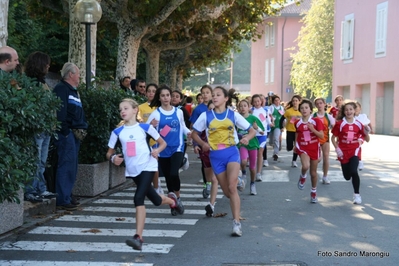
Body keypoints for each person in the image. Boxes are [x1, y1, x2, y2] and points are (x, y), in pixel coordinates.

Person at [106, 98, 176, 251]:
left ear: (135, 110)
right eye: (120, 109)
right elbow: (109, 153)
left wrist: (157, 150)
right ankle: (172, 202)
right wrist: (113, 158)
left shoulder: (145, 128)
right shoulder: (117, 132)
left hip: (148, 166)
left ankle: (138, 237)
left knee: (138, 197)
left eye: (125, 108)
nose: (122, 111)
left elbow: (163, 142)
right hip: (133, 171)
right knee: (156, 200)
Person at [191, 86, 256, 237]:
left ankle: (236, 223)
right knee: (227, 192)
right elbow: (193, 134)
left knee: (232, 188)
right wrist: (202, 144)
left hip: (231, 153)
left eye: (218, 95)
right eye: (213, 95)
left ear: (226, 98)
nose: (214, 97)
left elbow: (252, 130)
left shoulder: (233, 115)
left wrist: (247, 137)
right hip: (215, 156)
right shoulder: (206, 116)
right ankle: (239, 181)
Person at [147, 85, 191, 216]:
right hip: (162, 149)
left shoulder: (178, 111)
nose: (166, 98)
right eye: (163, 95)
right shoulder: (156, 114)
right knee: (167, 177)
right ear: (159, 98)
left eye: (168, 95)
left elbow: (182, 126)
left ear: (171, 97)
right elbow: (147, 131)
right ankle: (173, 203)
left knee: (173, 174)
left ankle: (178, 198)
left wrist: (189, 133)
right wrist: (151, 126)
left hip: (177, 147)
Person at [23, 51, 58, 202]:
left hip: (45, 127)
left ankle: (40, 188)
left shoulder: (42, 82)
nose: (48, 66)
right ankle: (31, 189)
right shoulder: (31, 83)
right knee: (36, 160)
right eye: (46, 64)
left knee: (41, 160)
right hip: (38, 127)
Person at [53, 62, 88, 211]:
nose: (79, 76)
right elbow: (60, 112)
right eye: (78, 74)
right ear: (71, 74)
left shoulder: (73, 91)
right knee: (66, 165)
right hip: (67, 134)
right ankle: (63, 198)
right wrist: (66, 132)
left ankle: (67, 194)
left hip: (74, 134)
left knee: (71, 166)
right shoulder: (62, 89)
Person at [331, 101, 370, 204]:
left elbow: (367, 139)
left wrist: (367, 131)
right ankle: (347, 172)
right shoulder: (340, 124)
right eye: (346, 110)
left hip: (354, 150)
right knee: (347, 176)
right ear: (344, 112)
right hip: (343, 151)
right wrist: (337, 149)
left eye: (351, 109)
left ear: (354, 111)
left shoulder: (358, 123)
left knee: (354, 171)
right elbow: (333, 138)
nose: (349, 111)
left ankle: (357, 195)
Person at [295, 99, 324, 203]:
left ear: (311, 110)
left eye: (306, 108)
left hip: (314, 148)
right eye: (302, 108)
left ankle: (313, 191)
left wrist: (313, 129)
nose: (304, 110)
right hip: (303, 147)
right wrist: (295, 145)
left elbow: (321, 135)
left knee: (313, 173)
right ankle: (302, 176)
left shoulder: (316, 121)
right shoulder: (298, 123)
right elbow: (297, 134)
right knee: (305, 166)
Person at [138, 83, 163, 194]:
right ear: (145, 93)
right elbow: (139, 123)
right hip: (145, 141)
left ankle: (156, 187)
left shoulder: (160, 107)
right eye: (149, 91)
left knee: (155, 164)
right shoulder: (140, 107)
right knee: (148, 165)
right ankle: (150, 187)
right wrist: (150, 124)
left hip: (158, 141)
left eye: (154, 91)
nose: (151, 93)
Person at [190, 85, 214, 198]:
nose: (205, 95)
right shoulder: (198, 109)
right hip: (203, 140)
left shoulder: (218, 106)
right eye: (203, 93)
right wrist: (196, 144)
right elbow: (193, 127)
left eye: (207, 92)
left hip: (217, 141)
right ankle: (207, 184)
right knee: (205, 163)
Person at [237, 99, 264, 195]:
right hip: (242, 144)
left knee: (252, 168)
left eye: (245, 105)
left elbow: (262, 131)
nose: (243, 108)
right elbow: (234, 132)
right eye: (241, 106)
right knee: (243, 161)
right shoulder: (237, 118)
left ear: (248, 107)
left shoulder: (253, 118)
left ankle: (252, 184)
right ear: (238, 108)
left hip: (252, 144)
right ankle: (243, 173)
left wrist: (256, 128)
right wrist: (241, 136)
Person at [313, 98, 335, 184]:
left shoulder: (329, 117)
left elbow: (334, 127)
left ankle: (325, 176)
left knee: (326, 157)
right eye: (317, 104)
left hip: (325, 139)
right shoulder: (313, 116)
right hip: (315, 140)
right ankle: (313, 173)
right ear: (315, 105)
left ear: (324, 104)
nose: (319, 105)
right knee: (318, 159)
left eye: (321, 103)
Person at [251, 94, 273, 180]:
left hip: (262, 134)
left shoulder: (265, 110)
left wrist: (270, 123)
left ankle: (258, 173)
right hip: (253, 135)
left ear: (261, 101)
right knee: (254, 154)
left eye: (258, 101)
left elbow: (267, 119)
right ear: (252, 102)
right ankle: (252, 169)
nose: (257, 103)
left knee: (260, 152)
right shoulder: (251, 111)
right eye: (255, 101)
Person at [281, 94, 302, 168]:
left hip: (298, 131)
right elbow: (282, 118)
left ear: (299, 102)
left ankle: (294, 161)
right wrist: (281, 127)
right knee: (290, 147)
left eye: (296, 101)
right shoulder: (288, 111)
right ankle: (290, 147)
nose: (295, 102)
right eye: (293, 101)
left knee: (296, 146)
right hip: (290, 130)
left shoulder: (302, 111)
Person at [354, 101, 372, 171]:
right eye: (354, 107)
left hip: (361, 134)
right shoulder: (351, 117)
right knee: (354, 147)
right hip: (354, 134)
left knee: (358, 144)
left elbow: (368, 123)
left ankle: (360, 161)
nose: (355, 109)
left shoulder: (363, 116)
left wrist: (370, 130)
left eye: (357, 107)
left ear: (360, 108)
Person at [269, 95, 284, 161]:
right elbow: (269, 115)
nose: (277, 101)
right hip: (271, 125)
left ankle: (276, 153)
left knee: (276, 139)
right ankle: (276, 146)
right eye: (275, 100)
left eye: (278, 100)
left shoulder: (281, 107)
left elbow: (283, 117)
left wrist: (282, 126)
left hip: (277, 126)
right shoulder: (271, 107)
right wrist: (271, 120)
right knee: (271, 142)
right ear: (273, 101)